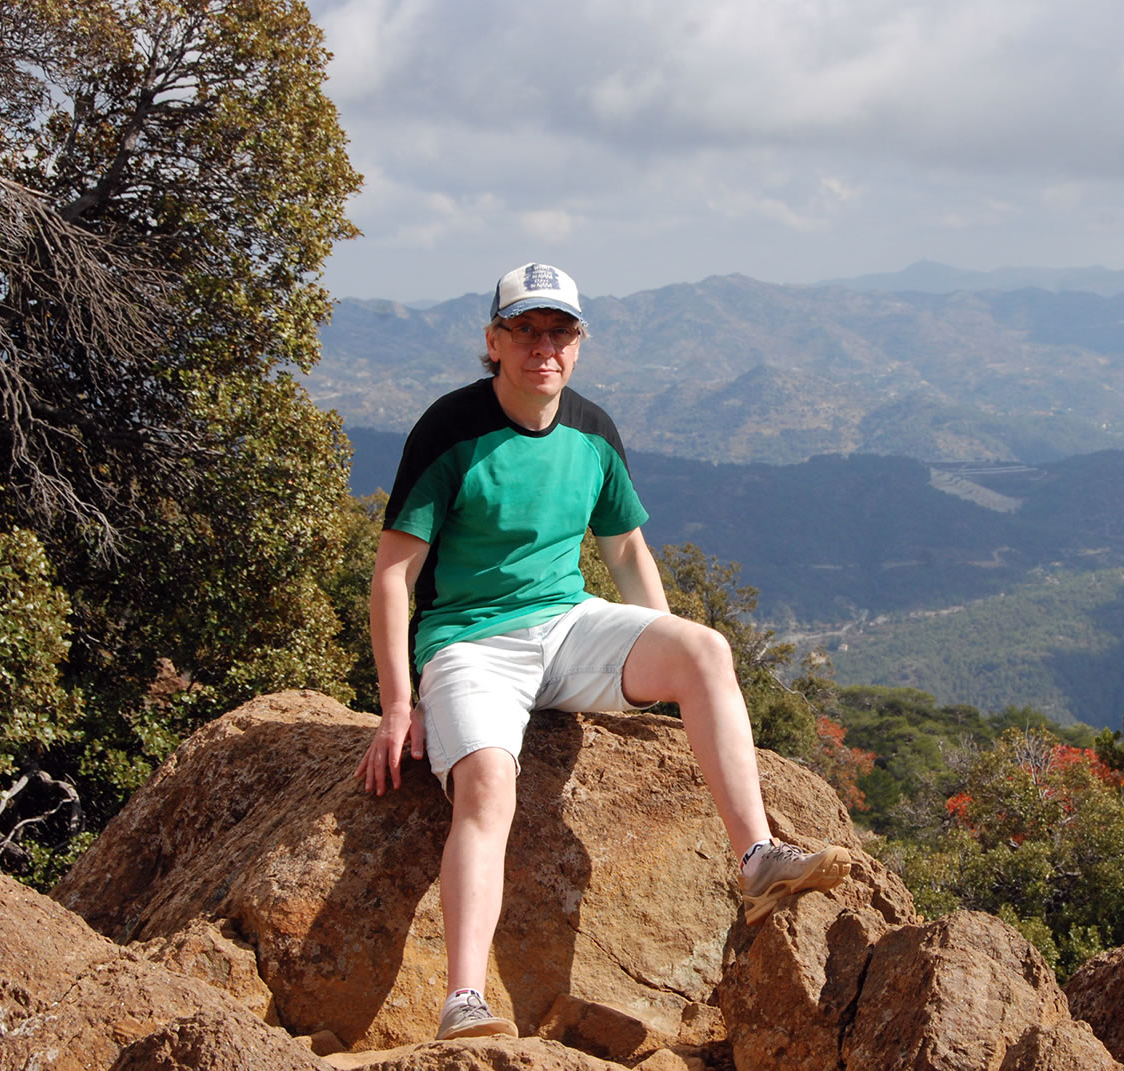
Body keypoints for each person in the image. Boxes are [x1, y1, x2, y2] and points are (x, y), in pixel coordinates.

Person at [356, 262, 851, 1042]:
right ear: (494, 341)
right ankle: (464, 1000)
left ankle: (756, 858)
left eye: (559, 331)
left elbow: (625, 550)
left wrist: (664, 652)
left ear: (579, 342)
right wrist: (396, 705)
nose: (542, 347)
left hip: (567, 624)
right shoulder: (449, 430)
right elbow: (394, 574)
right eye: (525, 329)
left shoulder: (592, 430)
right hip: (469, 643)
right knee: (488, 785)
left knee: (705, 650)